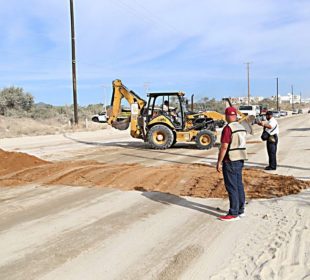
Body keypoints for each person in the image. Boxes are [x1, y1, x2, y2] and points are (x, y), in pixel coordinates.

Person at [216, 106, 247, 221]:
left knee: (232, 187)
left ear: (227, 116)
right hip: (240, 159)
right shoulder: (241, 127)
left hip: (230, 160)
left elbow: (224, 147)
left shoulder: (228, 128)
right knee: (239, 185)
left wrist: (219, 161)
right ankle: (240, 209)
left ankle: (233, 213)